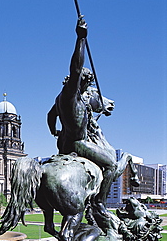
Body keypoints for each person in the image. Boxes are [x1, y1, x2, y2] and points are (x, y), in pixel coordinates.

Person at [47, 16, 139, 216]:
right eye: (87, 84)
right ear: (83, 82)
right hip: (77, 143)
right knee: (113, 164)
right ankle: (99, 203)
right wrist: (80, 38)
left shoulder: (59, 99)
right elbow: (76, 67)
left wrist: (55, 131)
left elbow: (49, 115)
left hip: (63, 143)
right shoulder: (72, 93)